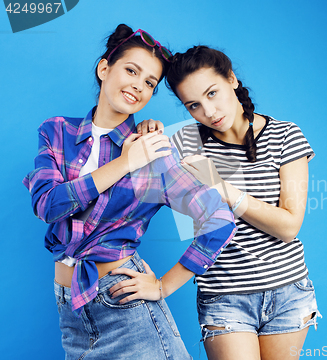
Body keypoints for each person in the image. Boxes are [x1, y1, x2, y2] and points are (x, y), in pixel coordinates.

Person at [23, 26, 236, 360]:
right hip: (71, 312)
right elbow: (47, 205)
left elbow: (219, 218)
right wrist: (124, 163)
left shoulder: (153, 154)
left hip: (126, 310)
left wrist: (164, 286)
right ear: (104, 68)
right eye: (131, 70)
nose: (139, 85)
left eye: (150, 82)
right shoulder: (56, 131)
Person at [142, 45, 319, 360]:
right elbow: (140, 182)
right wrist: (145, 131)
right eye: (193, 105)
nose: (208, 112)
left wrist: (223, 188)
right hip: (223, 295)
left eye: (212, 94)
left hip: (288, 290)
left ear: (232, 80)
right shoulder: (185, 142)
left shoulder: (285, 135)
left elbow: (289, 226)